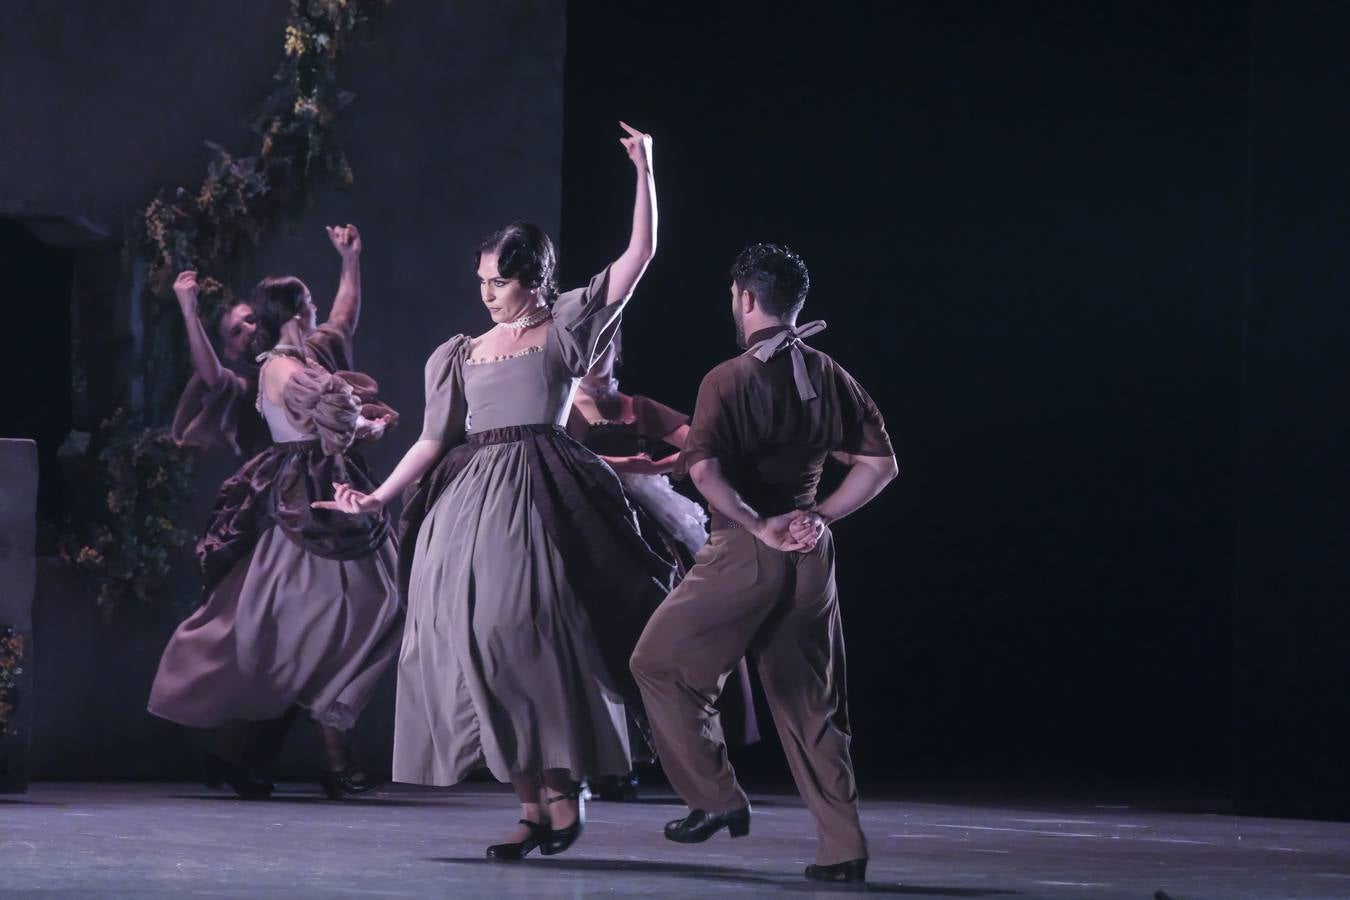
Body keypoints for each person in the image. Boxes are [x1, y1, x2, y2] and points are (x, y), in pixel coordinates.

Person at [316, 123, 670, 859]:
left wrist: (645, 172)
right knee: (466, 639)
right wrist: (377, 499)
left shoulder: (566, 328)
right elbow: (430, 439)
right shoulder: (461, 353)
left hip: (538, 489)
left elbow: (638, 259)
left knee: (525, 633)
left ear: (533, 281)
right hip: (469, 496)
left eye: (498, 281)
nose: (485, 294)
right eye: (479, 281)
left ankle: (566, 789)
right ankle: (531, 803)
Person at [629, 243, 897, 885]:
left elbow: (705, 469)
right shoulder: (830, 372)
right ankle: (843, 848)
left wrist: (757, 523)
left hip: (750, 547)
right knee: (812, 704)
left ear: (745, 298)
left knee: (658, 664)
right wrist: (821, 517)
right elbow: (881, 466)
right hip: (809, 551)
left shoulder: (727, 377)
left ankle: (716, 799)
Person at [149, 225, 401, 800]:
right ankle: (329, 751)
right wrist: (370, 425)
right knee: (333, 615)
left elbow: (343, 317)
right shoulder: (277, 370)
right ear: (293, 313)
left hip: (319, 488)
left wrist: (349, 260)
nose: (316, 311)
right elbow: (328, 422)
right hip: (303, 499)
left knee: (317, 622)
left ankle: (245, 754)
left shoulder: (306, 355)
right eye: (306, 304)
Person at [567, 332, 761, 802]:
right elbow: (561, 457)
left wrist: (650, 469)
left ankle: (660, 752)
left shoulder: (636, 406)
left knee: (664, 611)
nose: (597, 359)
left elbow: (700, 446)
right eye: (589, 350)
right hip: (581, 511)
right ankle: (592, 759)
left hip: (640, 515)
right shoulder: (560, 405)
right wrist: (618, 463)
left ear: (617, 352)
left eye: (605, 349)